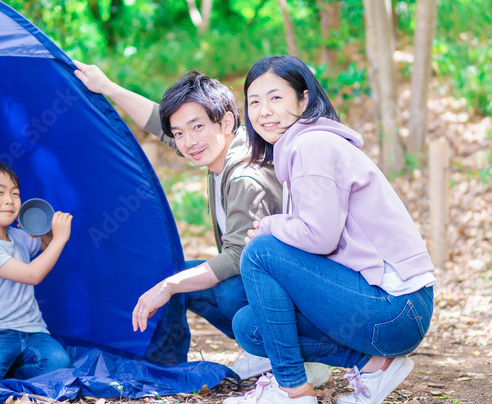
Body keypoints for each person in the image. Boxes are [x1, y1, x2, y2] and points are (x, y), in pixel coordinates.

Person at [71, 61, 328, 385]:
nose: (188, 141)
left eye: (197, 127)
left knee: (226, 290)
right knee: (181, 278)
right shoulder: (224, 147)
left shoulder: (244, 175)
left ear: (227, 121)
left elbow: (237, 257)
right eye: (180, 133)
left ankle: (298, 356)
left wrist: (168, 286)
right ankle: (264, 349)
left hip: (304, 294)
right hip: (280, 285)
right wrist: (108, 87)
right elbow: (163, 124)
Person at [222, 55, 436, 404]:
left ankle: (291, 390)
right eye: (254, 101)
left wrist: (271, 225)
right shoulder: (300, 147)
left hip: (395, 306)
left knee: (260, 251)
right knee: (250, 326)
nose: (264, 111)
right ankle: (374, 365)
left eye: (276, 97)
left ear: (304, 99)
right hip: (390, 310)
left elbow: (320, 237)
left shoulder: (311, 146)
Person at [0, 159, 74, 381]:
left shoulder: (19, 236)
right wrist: (60, 239)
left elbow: (47, 245)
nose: (9, 200)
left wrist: (43, 229)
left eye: (15, 193)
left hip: (33, 331)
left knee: (59, 363)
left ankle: (9, 371)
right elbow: (32, 274)